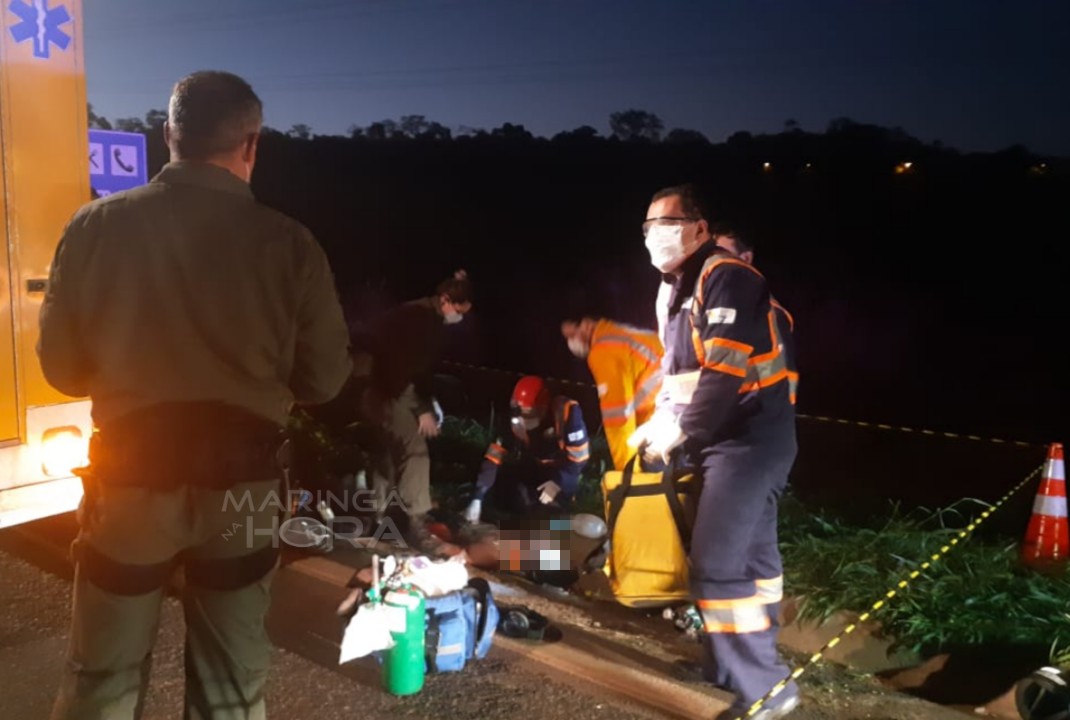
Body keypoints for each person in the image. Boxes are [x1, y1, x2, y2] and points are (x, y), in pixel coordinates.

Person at [38, 71, 354, 719]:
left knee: (102, 680)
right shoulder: (289, 244)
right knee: (230, 685)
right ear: (252, 143)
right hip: (240, 494)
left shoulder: (95, 228)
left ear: (168, 136)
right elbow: (324, 380)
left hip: (129, 486)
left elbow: (63, 371)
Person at [628, 184, 800, 719]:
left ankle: (766, 688)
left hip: (749, 439)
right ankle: (732, 665)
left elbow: (722, 374)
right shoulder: (674, 289)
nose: (657, 232)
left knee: (717, 567)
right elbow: (676, 373)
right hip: (730, 439)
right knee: (755, 560)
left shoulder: (727, 276)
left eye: (669, 221)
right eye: (649, 224)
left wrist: (682, 436)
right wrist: (660, 421)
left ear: (699, 228)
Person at [359, 270, 473, 553]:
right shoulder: (424, 321)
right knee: (415, 452)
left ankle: (376, 519)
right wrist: (422, 408)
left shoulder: (415, 312)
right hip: (392, 391)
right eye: (458, 310)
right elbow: (410, 367)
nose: (459, 317)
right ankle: (415, 524)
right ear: (445, 300)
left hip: (374, 388)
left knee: (387, 452)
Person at [463, 375, 589, 524]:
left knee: (550, 517)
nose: (525, 420)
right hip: (533, 464)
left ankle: (564, 522)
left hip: (561, 471)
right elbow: (494, 455)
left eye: (530, 414)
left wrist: (559, 483)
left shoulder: (566, 412)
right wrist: (478, 497)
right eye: (521, 414)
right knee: (503, 489)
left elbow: (578, 459)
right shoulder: (513, 417)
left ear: (544, 407)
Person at [560, 317, 663, 470]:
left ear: (586, 327)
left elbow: (617, 416)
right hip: (677, 402)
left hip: (669, 410)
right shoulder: (615, 333)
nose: (571, 337)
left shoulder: (603, 351)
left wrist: (627, 469)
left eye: (573, 333)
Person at [715, 232, 798, 405]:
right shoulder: (716, 312)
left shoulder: (770, 314)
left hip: (754, 426)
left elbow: (785, 387)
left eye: (722, 254)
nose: (714, 263)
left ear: (745, 257)